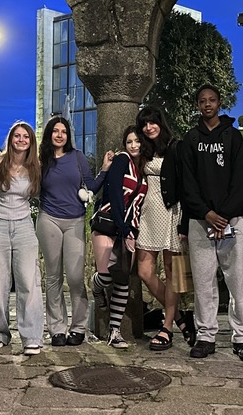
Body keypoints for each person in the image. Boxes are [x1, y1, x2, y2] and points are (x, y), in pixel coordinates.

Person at [179, 84, 243, 362]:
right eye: (202, 101)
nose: (207, 104)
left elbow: (239, 180)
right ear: (198, 105)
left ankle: (242, 337)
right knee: (204, 283)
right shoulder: (190, 139)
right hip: (200, 222)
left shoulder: (233, 137)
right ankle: (206, 335)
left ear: (220, 103)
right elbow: (188, 182)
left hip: (232, 220)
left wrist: (223, 214)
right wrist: (206, 213)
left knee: (236, 282)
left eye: (212, 100)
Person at [37, 116, 113, 347]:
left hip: (75, 221)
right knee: (52, 277)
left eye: (64, 131)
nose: (60, 135)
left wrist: (104, 170)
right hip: (48, 218)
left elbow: (90, 186)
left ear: (68, 136)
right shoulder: (42, 160)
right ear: (49, 134)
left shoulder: (77, 157)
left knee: (75, 276)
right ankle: (57, 329)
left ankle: (78, 326)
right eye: (55, 131)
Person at [135, 105, 195, 351]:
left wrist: (185, 221)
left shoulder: (175, 147)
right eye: (144, 124)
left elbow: (186, 183)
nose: (149, 127)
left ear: (161, 122)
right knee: (144, 271)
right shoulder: (142, 150)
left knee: (172, 272)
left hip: (171, 211)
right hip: (149, 213)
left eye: (152, 122)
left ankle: (167, 327)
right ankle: (181, 317)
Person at [0, 122, 44, 356]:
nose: (21, 140)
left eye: (25, 136)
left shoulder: (36, 168)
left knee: (29, 281)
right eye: (17, 136)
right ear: (10, 139)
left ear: (31, 141)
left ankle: (31, 336)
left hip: (24, 226)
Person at [90, 125, 147, 349]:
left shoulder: (144, 167)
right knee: (105, 275)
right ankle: (95, 288)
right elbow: (113, 190)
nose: (133, 145)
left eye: (137, 141)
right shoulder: (122, 160)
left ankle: (115, 331)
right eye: (129, 141)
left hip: (130, 227)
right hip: (109, 221)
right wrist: (121, 223)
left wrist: (130, 228)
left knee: (122, 278)